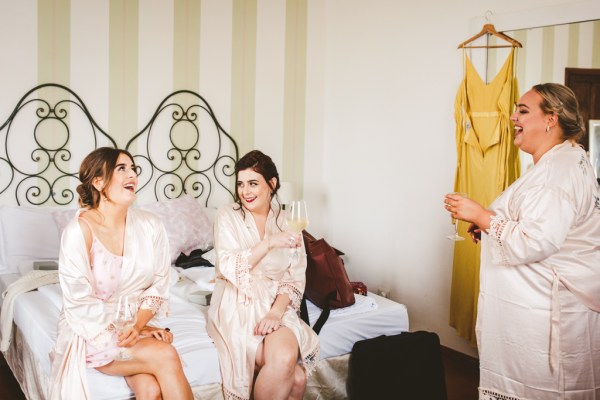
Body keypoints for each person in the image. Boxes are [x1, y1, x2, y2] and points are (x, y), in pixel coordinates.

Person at [445, 83, 600, 399]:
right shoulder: (564, 161)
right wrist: (487, 224)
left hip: (548, 312)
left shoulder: (558, 171)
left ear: (551, 119)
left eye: (523, 111)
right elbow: (549, 226)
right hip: (544, 304)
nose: (513, 117)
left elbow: (536, 241)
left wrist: (482, 216)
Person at [49, 147, 193, 400]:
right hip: (91, 331)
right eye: (122, 168)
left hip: (133, 326)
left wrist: (139, 326)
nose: (133, 176)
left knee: (151, 389)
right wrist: (127, 331)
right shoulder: (78, 231)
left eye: (134, 169)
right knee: (165, 354)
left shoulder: (151, 225)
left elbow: (159, 283)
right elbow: (79, 302)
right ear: (98, 181)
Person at [206, 150, 319, 400]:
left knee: (289, 364)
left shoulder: (288, 220)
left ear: (272, 184)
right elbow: (228, 265)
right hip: (238, 302)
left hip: (274, 305)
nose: (245, 191)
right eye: (240, 184)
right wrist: (268, 243)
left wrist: (276, 312)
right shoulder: (227, 216)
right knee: (296, 377)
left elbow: (295, 276)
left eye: (253, 183)